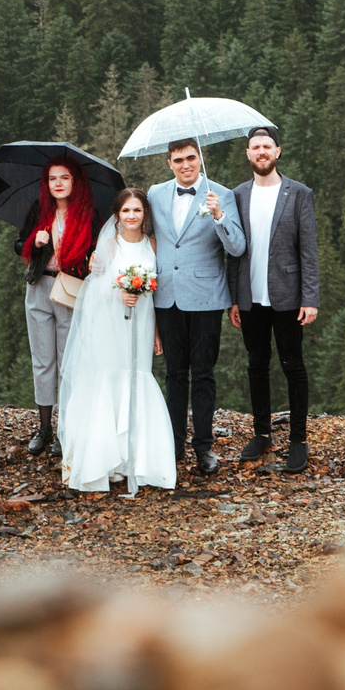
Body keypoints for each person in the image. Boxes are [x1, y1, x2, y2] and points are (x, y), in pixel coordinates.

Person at [54, 187, 178, 496]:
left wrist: (156, 333)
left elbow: (157, 293)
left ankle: (135, 460)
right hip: (111, 324)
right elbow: (93, 292)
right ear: (117, 215)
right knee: (111, 382)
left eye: (137, 210)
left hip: (143, 321)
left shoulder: (153, 245)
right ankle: (106, 462)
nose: (132, 216)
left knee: (138, 379)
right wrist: (118, 291)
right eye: (126, 211)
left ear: (144, 215)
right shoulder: (108, 248)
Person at [146, 137, 246, 473]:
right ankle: (173, 446)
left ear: (200, 159)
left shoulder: (221, 194)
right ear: (169, 163)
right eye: (178, 160)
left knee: (203, 374)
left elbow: (236, 248)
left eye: (191, 158)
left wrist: (219, 215)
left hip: (205, 297)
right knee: (174, 374)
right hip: (167, 296)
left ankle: (203, 447)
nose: (185, 165)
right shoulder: (156, 193)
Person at [227, 124, 319, 474]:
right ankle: (262, 433)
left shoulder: (298, 194)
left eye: (267, 146)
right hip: (250, 297)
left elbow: (308, 250)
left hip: (288, 296)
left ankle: (298, 439)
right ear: (248, 154)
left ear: (277, 151)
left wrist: (310, 298)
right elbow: (233, 254)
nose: (261, 152)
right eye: (255, 147)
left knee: (293, 365)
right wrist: (234, 298)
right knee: (257, 364)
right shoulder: (237, 195)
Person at [20, 160, 97, 458]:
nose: (59, 183)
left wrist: (91, 257)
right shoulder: (39, 211)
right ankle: (44, 428)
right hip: (40, 286)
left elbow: (95, 250)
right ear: (47, 183)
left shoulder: (88, 215)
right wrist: (34, 240)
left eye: (65, 178)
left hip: (70, 289)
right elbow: (18, 244)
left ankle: (65, 429)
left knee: (68, 362)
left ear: (75, 181)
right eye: (53, 179)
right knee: (42, 360)